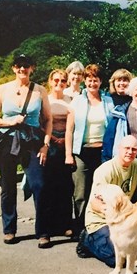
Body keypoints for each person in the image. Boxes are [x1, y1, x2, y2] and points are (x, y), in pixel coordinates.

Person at [0, 53, 53, 247]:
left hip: (32, 142)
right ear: (14, 68)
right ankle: (9, 229)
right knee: (7, 187)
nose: (22, 69)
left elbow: (48, 119)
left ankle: (43, 231)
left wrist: (45, 144)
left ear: (32, 68)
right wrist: (9, 121)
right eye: (18, 66)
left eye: (26, 66)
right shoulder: (3, 89)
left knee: (39, 185)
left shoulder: (40, 91)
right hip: (8, 141)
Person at [76, 135, 137, 267]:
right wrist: (114, 214)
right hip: (101, 220)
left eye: (134, 149)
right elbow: (95, 204)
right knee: (117, 259)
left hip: (123, 219)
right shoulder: (105, 170)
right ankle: (87, 240)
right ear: (119, 148)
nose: (130, 152)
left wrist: (133, 210)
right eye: (127, 148)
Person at [65, 64, 115, 234]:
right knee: (80, 192)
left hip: (102, 152)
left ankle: (100, 226)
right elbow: (69, 130)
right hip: (82, 151)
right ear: (84, 81)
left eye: (96, 80)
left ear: (101, 81)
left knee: (102, 191)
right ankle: (80, 227)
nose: (92, 83)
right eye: (89, 80)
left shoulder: (108, 101)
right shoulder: (77, 101)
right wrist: (68, 155)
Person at [46, 69, 75, 238]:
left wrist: (67, 151)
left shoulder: (70, 101)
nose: (59, 83)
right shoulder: (45, 100)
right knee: (49, 186)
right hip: (48, 145)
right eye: (56, 80)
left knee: (65, 187)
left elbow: (71, 128)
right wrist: (50, 140)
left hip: (65, 144)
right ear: (50, 81)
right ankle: (49, 225)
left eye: (63, 80)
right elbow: (40, 123)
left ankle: (65, 224)